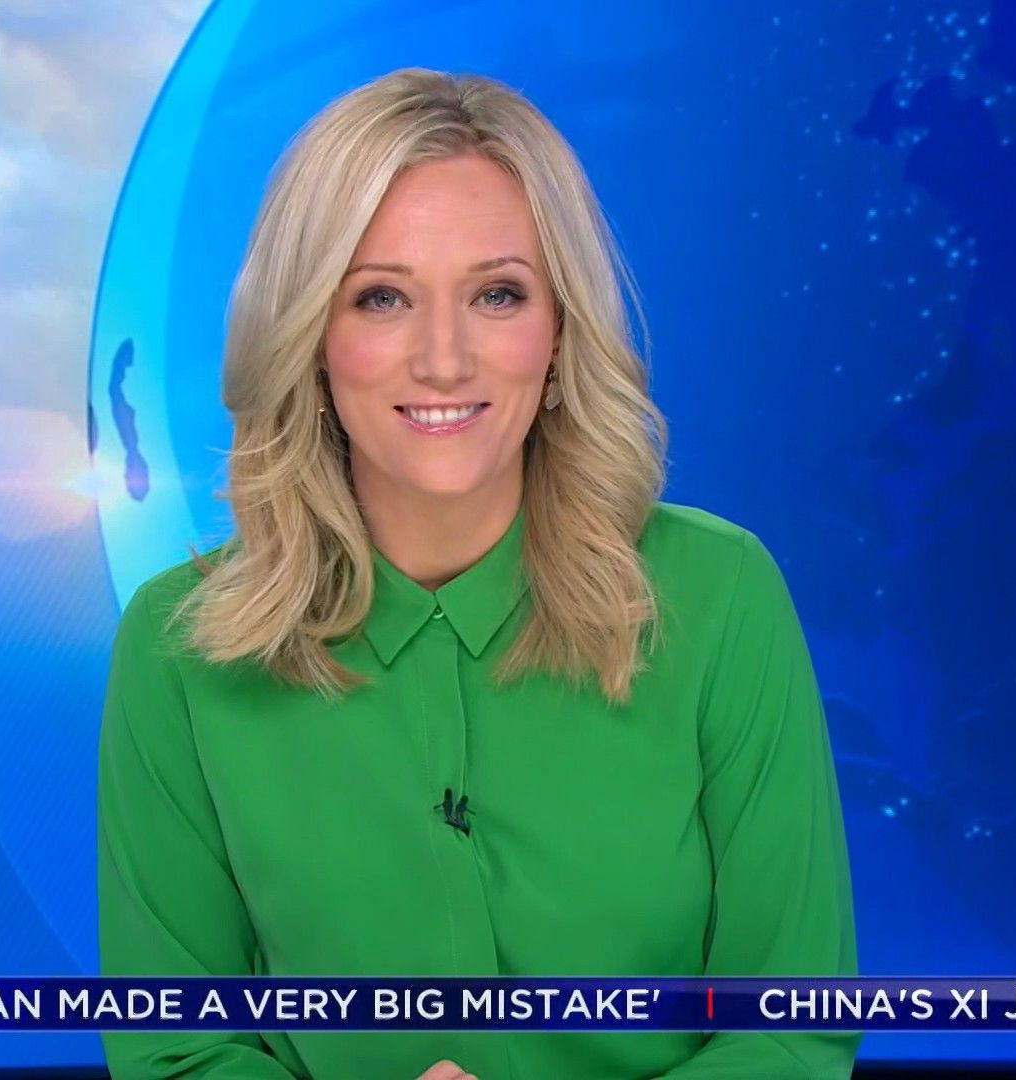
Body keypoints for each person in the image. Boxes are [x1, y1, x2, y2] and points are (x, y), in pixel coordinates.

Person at [97, 66, 858, 1080]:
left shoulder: (720, 598)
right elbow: (176, 1047)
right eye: (381, 298)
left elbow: (793, 1032)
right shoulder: (180, 648)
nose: (445, 360)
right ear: (309, 339)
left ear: (560, 330)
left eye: (497, 294)